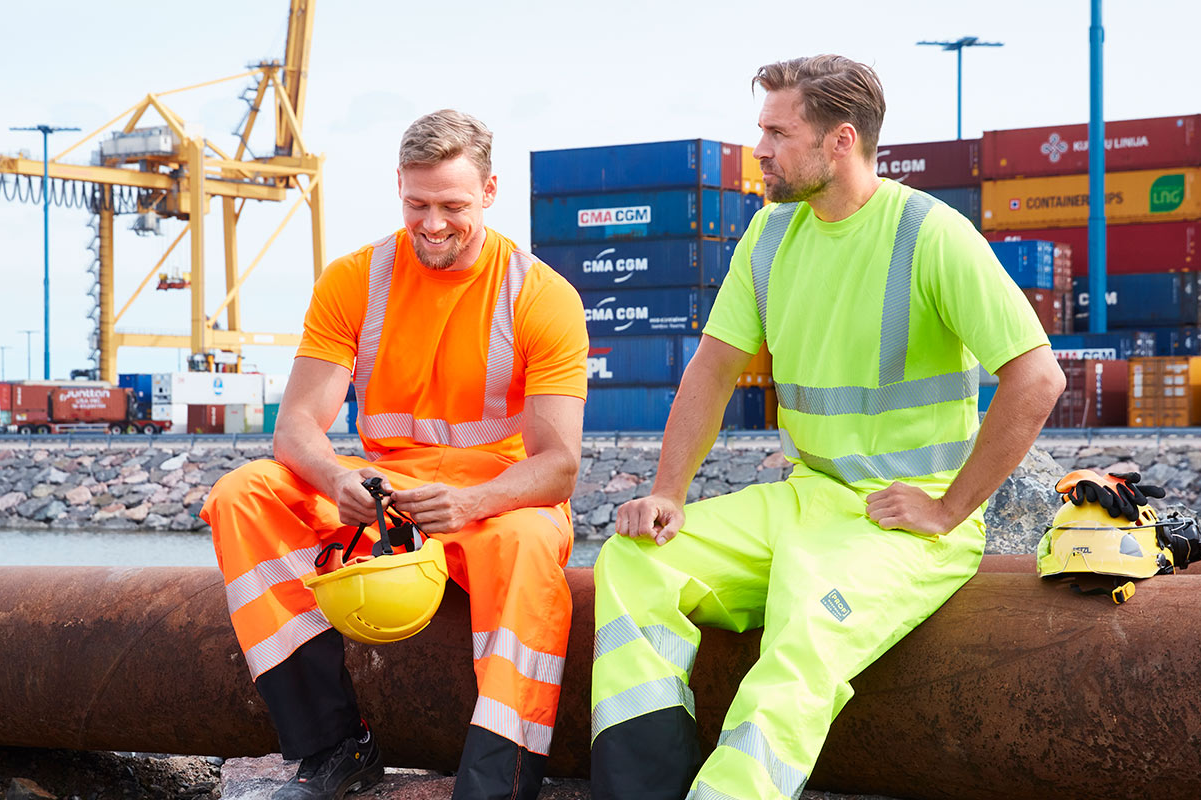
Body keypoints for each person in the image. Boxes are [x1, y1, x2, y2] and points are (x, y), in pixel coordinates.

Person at [588, 55, 1066, 800]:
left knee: (802, 635)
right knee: (636, 560)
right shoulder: (770, 236)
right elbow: (711, 370)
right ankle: (640, 789)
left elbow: (1038, 379)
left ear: (840, 141)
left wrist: (947, 509)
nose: (760, 149)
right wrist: (668, 493)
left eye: (778, 132)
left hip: (902, 523)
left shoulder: (929, 233)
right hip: (805, 498)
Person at [202, 109, 589, 800]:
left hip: (496, 498)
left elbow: (558, 465)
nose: (433, 224)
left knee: (529, 545)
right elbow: (295, 429)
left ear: (491, 192)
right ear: (399, 190)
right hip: (385, 493)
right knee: (244, 494)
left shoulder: (541, 296)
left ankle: (500, 780)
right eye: (417, 205)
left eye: (452, 206)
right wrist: (338, 479)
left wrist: (471, 502)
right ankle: (333, 750)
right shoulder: (355, 279)